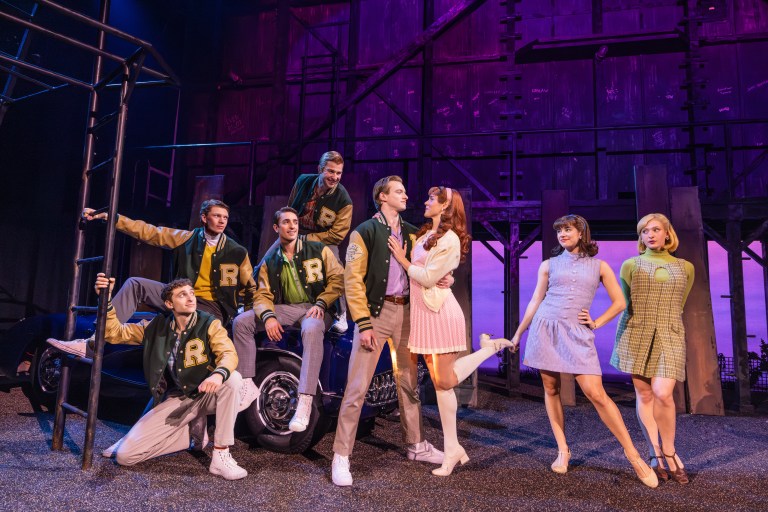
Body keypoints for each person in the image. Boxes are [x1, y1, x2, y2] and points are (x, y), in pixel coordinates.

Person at [510, 214, 658, 488]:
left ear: (581, 233)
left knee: (596, 393)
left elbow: (620, 302)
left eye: (568, 229)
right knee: (551, 388)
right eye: (559, 231)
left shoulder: (599, 266)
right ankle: (563, 450)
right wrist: (519, 333)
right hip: (546, 328)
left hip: (577, 333)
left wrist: (597, 322)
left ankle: (633, 455)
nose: (562, 234)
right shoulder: (548, 265)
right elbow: (535, 300)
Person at [330, 176, 452, 486]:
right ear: (382, 197)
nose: (406, 195)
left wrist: (443, 279)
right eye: (399, 191)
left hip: (407, 312)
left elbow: (426, 268)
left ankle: (415, 445)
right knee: (357, 387)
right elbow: (352, 281)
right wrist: (363, 322)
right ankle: (341, 455)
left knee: (409, 382)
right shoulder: (365, 231)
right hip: (376, 313)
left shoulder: (413, 233)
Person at [387, 186, 514, 477]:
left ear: (445, 207)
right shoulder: (423, 235)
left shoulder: (451, 238)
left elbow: (430, 277)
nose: (425, 201)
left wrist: (404, 261)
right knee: (441, 381)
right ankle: (453, 447)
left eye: (432, 199)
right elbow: (430, 272)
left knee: (444, 381)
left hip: (440, 312)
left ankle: (453, 447)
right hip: (425, 312)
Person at [69, 273, 247, 480]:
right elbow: (113, 333)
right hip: (179, 398)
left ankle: (221, 454)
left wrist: (217, 374)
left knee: (232, 378)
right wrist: (106, 299)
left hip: (208, 394)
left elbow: (228, 353)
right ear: (169, 303)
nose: (191, 298)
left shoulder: (209, 323)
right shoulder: (155, 327)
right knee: (126, 456)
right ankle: (188, 436)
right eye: (182, 295)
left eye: (192, 293)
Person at [47, 200, 257, 368]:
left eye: (225, 217)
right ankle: (94, 343)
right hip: (181, 296)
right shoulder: (186, 238)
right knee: (135, 283)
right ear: (204, 218)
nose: (222, 221)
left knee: (159, 329)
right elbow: (149, 232)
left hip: (210, 309)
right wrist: (114, 219)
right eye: (217, 216)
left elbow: (250, 288)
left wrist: (244, 319)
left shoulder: (237, 252)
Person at [232, 207, 344, 431]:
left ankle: (304, 401)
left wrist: (322, 303)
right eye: (286, 222)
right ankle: (247, 384)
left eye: (295, 221)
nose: (292, 226)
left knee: (312, 327)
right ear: (276, 227)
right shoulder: (270, 260)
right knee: (241, 322)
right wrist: (269, 316)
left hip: (317, 308)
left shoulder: (317, 249)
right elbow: (262, 294)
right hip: (289, 309)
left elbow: (338, 279)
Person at [611, 213, 694, 484]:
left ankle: (669, 451)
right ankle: (653, 450)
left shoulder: (685, 267)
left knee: (663, 393)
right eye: (645, 231)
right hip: (637, 332)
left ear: (667, 233)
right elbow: (625, 303)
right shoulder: (630, 265)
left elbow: (679, 303)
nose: (651, 235)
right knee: (645, 394)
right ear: (641, 237)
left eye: (656, 229)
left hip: (669, 332)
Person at [287, 151, 353, 333]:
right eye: (330, 172)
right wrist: (289, 230)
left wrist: (309, 239)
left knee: (336, 265)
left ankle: (341, 314)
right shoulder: (303, 181)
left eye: (339, 173)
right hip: (297, 232)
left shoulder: (344, 199)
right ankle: (253, 301)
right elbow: (291, 207)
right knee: (271, 256)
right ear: (320, 169)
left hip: (325, 237)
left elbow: (337, 235)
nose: (335, 177)